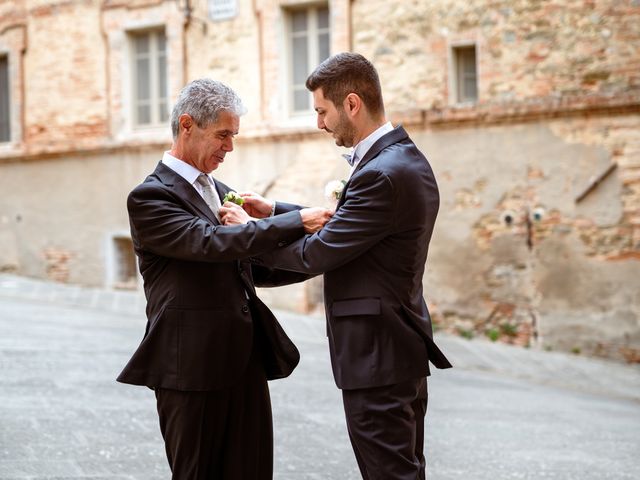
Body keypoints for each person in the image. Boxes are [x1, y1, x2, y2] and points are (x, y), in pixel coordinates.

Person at [239, 53, 453, 480]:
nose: (320, 123)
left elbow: (318, 252)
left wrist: (247, 235)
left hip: (378, 356)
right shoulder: (398, 161)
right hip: (394, 348)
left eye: (322, 110)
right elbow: (352, 226)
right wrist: (278, 210)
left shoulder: (382, 174)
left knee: (390, 474)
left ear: (351, 104)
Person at [116, 78, 331, 480]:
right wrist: (294, 221)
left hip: (243, 360)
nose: (230, 147)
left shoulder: (219, 190)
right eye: (223, 135)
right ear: (187, 125)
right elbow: (209, 243)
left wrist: (324, 255)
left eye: (233, 135)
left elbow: (256, 261)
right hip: (190, 368)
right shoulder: (150, 197)